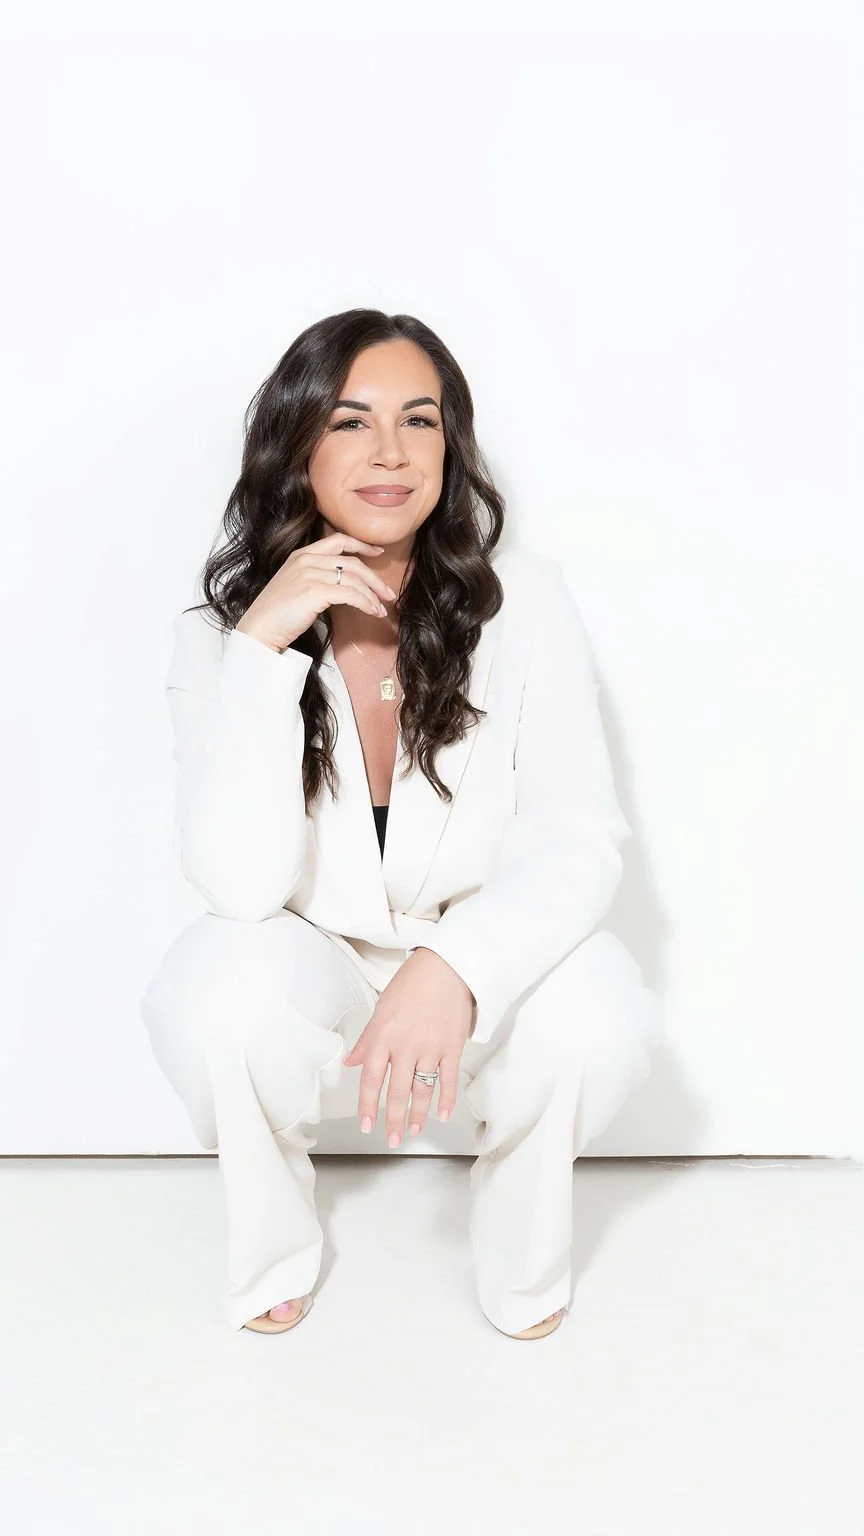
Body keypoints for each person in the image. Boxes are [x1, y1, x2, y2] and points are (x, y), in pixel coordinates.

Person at [140, 308, 664, 1338]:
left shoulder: (526, 601)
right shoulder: (219, 637)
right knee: (214, 992)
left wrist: (455, 965)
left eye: (418, 421)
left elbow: (577, 836)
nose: (390, 452)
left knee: (599, 1010)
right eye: (350, 421)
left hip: (475, 944)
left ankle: (522, 1257)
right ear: (296, 443)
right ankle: (271, 1253)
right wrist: (262, 653)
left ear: (449, 446)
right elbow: (239, 887)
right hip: (316, 959)